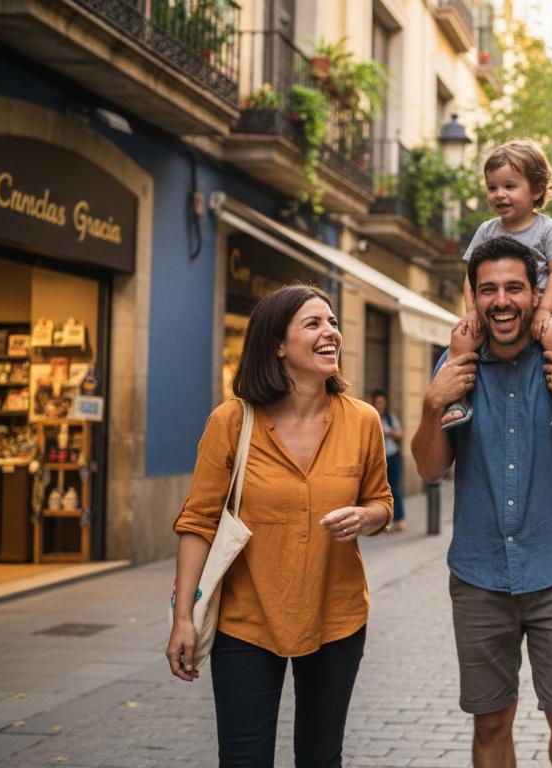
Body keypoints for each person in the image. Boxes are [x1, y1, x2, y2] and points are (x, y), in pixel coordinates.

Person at [411, 236, 552, 768]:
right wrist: (432, 404)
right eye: (488, 290)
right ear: (475, 297)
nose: (500, 300)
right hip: (479, 574)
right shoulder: (454, 364)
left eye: (513, 288)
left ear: (536, 294)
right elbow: (429, 468)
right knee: (490, 723)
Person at [166, 284, 394, 767]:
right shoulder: (231, 422)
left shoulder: (363, 421)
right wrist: (183, 617)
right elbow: (198, 522)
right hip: (244, 620)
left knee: (320, 756)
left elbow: (381, 504)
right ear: (278, 345)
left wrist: (365, 517)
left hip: (337, 615)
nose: (330, 332)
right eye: (313, 324)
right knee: (244, 758)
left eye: (332, 322)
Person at [441, 139, 552, 432]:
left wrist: (544, 310)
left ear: (537, 190)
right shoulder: (486, 230)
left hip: (545, 307)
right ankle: (457, 400)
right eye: (492, 187)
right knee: (461, 338)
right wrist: (472, 312)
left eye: (509, 186)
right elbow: (471, 276)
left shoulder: (548, 229)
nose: (499, 195)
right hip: (495, 311)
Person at [372, 387, 407, 532]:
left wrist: (388, 431)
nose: (379, 405)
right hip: (376, 460)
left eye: (381, 403)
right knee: (377, 491)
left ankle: (399, 518)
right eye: (377, 403)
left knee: (395, 489)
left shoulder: (390, 418)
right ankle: (382, 521)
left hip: (392, 456)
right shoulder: (370, 417)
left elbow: (400, 434)